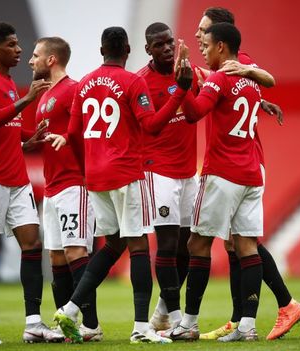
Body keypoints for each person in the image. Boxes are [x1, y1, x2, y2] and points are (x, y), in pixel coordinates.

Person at [46, 26, 192, 344]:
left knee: (113, 245)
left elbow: (71, 134)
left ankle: (70, 309)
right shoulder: (132, 81)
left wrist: (89, 167)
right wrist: (180, 92)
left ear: (102, 51)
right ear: (127, 50)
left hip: (95, 177)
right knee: (139, 247)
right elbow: (151, 126)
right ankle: (142, 328)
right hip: (126, 173)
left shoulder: (83, 84)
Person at [195, 7, 300, 341]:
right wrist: (261, 103)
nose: (199, 35)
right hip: (244, 162)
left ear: (220, 36)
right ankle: (240, 321)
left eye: (204, 30)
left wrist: (242, 73)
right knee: (238, 243)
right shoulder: (227, 66)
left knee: (242, 244)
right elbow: (241, 90)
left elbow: (266, 79)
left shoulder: (240, 60)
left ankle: (284, 304)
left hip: (238, 162)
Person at [167, 22, 265, 342]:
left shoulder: (221, 78)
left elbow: (194, 114)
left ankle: (189, 322)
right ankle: (247, 328)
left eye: (206, 46)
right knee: (248, 248)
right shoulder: (252, 81)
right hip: (252, 173)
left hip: (222, 174)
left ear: (221, 47)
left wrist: (182, 88)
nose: (204, 52)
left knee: (198, 243)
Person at [0, 22, 63, 344]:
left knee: (32, 245)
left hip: (17, 178)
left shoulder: (8, 82)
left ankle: (33, 323)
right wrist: (26, 100)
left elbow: (9, 128)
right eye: (12, 44)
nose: (19, 50)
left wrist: (29, 138)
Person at [25, 36, 102, 342]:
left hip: (75, 184)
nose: (31, 61)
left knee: (75, 251)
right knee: (56, 257)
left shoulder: (73, 90)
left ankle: (91, 324)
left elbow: (88, 133)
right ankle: (64, 326)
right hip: (52, 186)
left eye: (35, 55)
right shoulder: (43, 96)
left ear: (51, 59)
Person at [136, 22, 199, 334]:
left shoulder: (187, 72)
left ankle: (162, 310)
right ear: (148, 48)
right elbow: (151, 127)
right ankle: (177, 321)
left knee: (189, 246)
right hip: (158, 171)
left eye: (169, 42)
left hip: (189, 171)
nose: (166, 48)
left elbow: (194, 113)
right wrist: (182, 89)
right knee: (167, 244)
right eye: (159, 45)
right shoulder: (141, 82)